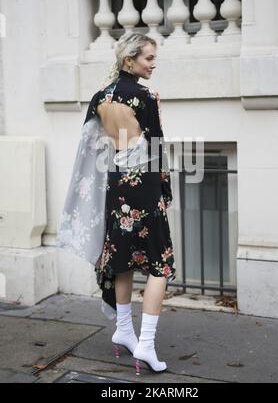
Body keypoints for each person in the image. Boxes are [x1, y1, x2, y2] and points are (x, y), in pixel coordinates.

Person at [56, 32, 176, 374]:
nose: (153, 64)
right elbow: (155, 148)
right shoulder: (145, 96)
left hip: (116, 183)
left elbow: (93, 145)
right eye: (148, 59)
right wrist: (163, 192)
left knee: (122, 258)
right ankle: (147, 346)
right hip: (143, 185)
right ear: (130, 61)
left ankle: (124, 330)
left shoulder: (100, 97)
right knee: (160, 264)